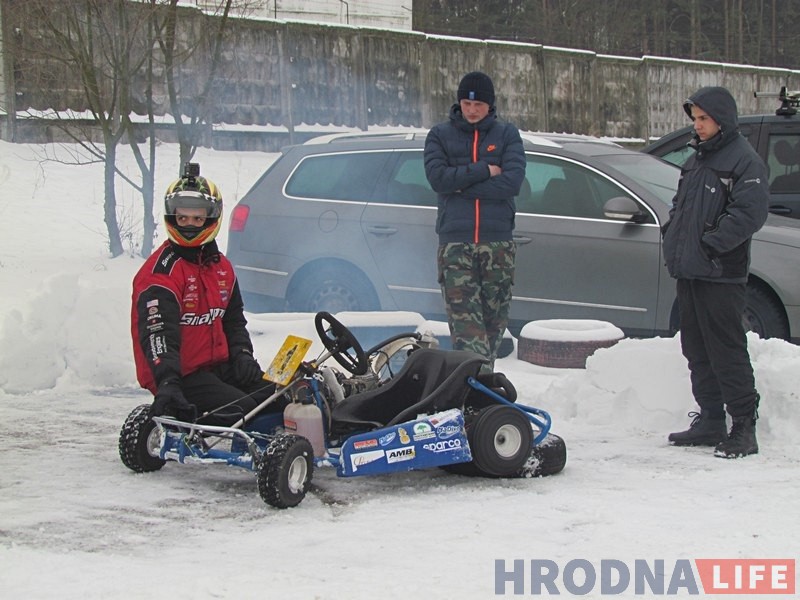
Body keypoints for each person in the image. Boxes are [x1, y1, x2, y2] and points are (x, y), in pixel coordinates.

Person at [662, 86, 769, 458]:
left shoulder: (744, 160)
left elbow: (750, 213)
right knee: (696, 347)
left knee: (726, 349)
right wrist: (673, 235)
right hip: (691, 270)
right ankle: (710, 420)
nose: (698, 125)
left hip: (721, 272)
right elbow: (680, 206)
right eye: (695, 118)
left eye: (704, 118)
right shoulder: (697, 159)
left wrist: (710, 244)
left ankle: (743, 428)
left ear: (722, 119)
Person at [131, 163, 277, 426]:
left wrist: (242, 354)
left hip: (219, 367)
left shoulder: (222, 268)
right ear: (172, 217)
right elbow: (158, 334)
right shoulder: (161, 275)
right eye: (182, 218)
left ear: (211, 218)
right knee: (245, 411)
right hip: (182, 376)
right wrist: (168, 381)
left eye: (197, 219)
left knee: (278, 398)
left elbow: (233, 322)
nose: (189, 225)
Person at [424, 71, 526, 370]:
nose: (471, 110)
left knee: (492, 332)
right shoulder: (439, 135)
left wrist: (460, 186)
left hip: (497, 246)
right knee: (468, 336)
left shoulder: (507, 135)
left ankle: (478, 386)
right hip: (456, 247)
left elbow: (512, 183)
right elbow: (438, 179)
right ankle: (474, 385)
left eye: (478, 104)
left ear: (490, 105)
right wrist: (484, 170)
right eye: (466, 104)